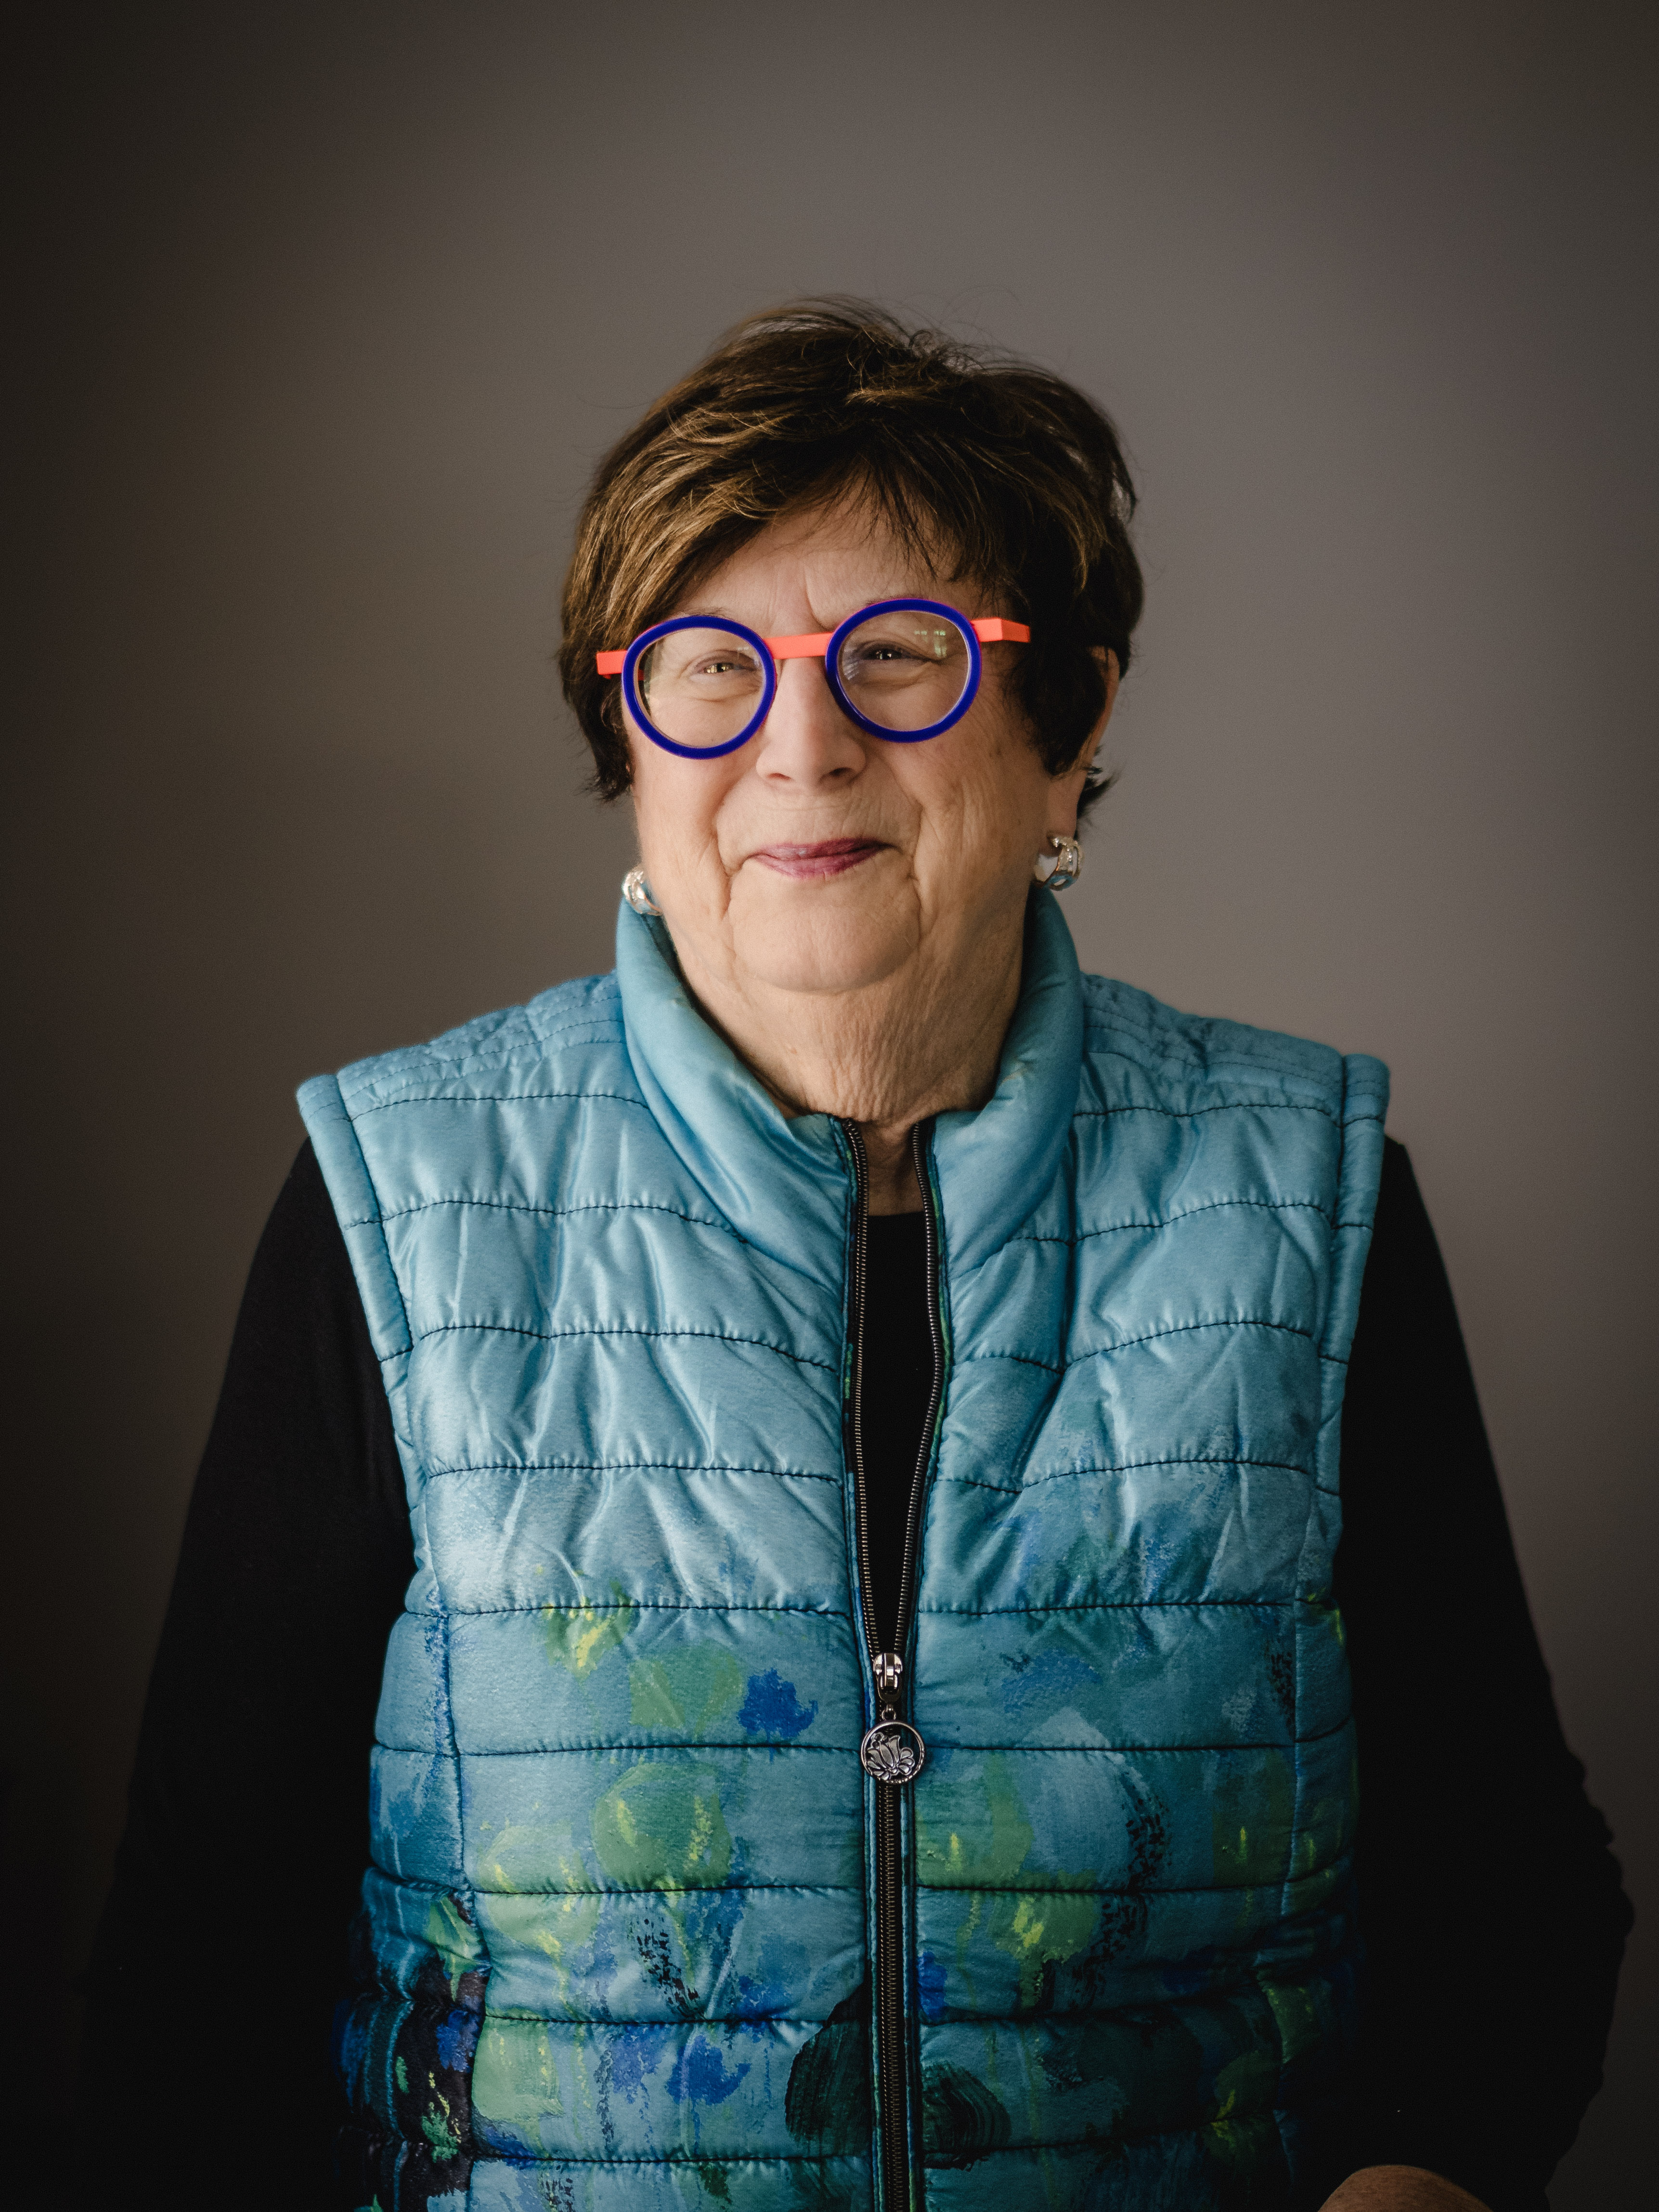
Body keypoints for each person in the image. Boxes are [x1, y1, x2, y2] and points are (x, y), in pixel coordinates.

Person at [81, 304, 1629, 2211]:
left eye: (897, 662)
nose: (797, 746)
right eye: (703, 672)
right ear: (630, 753)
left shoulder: (1302, 1197)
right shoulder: (394, 1204)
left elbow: (1510, 1900)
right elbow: (192, 1999)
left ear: (1069, 736)